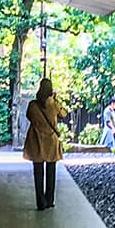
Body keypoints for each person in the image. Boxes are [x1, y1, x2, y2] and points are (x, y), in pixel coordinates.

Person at [23, 78, 67, 210]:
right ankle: (49, 200)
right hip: (51, 142)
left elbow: (29, 117)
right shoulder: (53, 104)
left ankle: (40, 203)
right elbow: (64, 114)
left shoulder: (32, 105)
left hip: (36, 141)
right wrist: (56, 100)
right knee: (51, 172)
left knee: (38, 173)